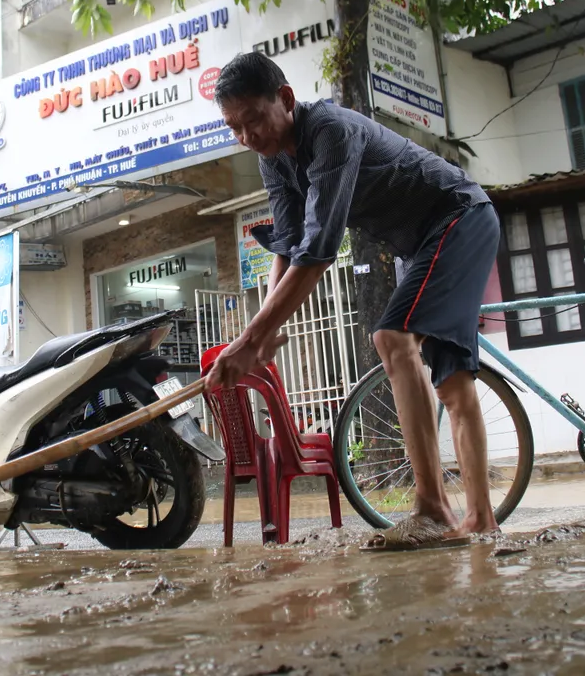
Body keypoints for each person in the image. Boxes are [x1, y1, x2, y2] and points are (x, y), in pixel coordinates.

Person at [202, 51, 500, 551]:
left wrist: (251, 340)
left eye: (252, 119)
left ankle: (431, 508)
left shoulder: (330, 132)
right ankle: (481, 521)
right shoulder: (273, 160)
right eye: (234, 128)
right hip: (420, 244)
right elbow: (292, 244)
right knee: (452, 381)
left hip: (459, 217)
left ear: (286, 99)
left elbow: (318, 254)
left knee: (392, 336)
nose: (247, 136)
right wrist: (263, 332)